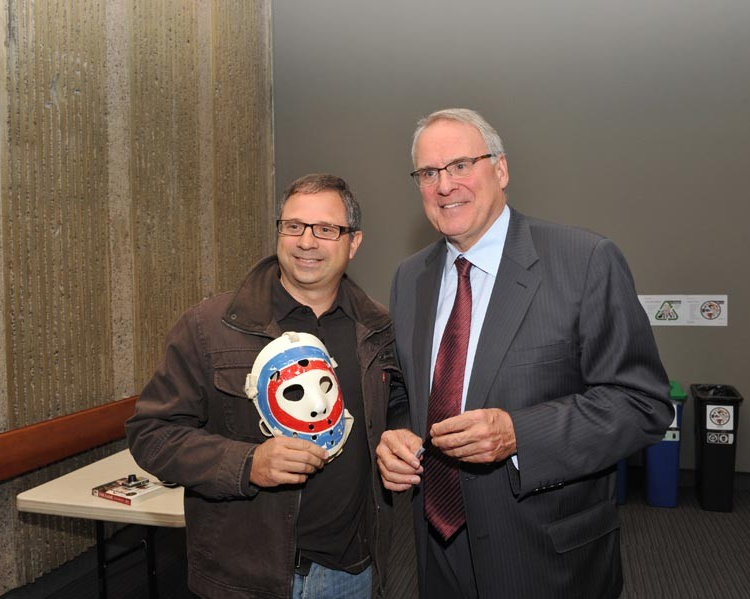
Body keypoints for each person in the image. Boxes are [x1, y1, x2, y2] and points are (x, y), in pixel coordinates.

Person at [376, 108, 673, 599]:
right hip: (436, 553)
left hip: (546, 558)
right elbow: (407, 390)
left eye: (460, 165)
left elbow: (642, 404)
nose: (445, 185)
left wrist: (520, 435)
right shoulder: (409, 278)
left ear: (500, 169)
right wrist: (398, 433)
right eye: (428, 173)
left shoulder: (584, 261)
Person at [127, 173, 400, 599]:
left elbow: (397, 408)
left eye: (326, 229)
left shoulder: (379, 328)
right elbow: (151, 436)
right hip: (244, 581)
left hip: (354, 575)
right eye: (294, 226)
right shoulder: (209, 327)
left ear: (354, 242)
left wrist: (402, 433)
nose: (306, 242)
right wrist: (247, 464)